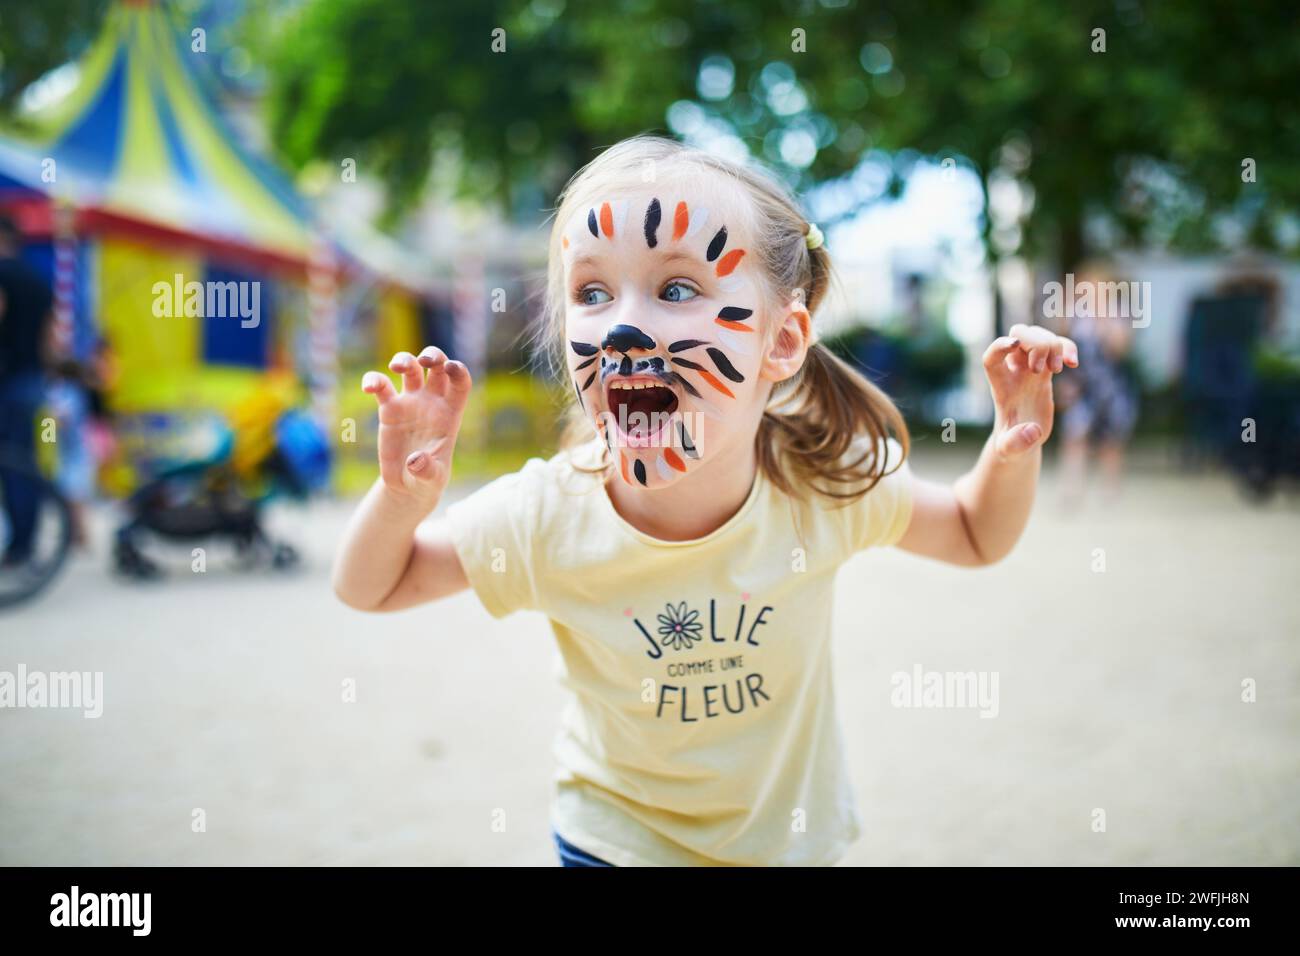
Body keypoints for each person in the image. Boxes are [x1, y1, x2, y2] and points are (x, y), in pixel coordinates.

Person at [332, 135, 1079, 867]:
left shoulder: (819, 482)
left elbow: (977, 536)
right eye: (592, 293)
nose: (622, 327)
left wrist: (1012, 447)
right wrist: (403, 497)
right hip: (614, 843)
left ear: (781, 342)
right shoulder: (547, 514)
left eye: (677, 288)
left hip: (788, 844)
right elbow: (372, 586)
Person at [1055, 260, 1139, 507]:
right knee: (1074, 436)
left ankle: (1110, 490)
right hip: (1081, 386)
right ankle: (1072, 489)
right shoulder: (1075, 316)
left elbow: (1120, 350)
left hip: (1110, 388)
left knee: (1110, 441)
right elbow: (1062, 342)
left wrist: (1102, 318)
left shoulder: (1117, 314)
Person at [0, 215, 54, 566]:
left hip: (7, 381)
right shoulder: (39, 281)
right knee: (24, 463)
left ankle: (18, 545)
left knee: (10, 465)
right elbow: (50, 340)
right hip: (33, 380)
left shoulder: (3, 276)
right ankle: (26, 542)